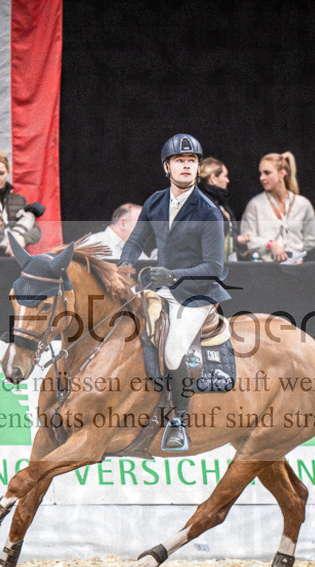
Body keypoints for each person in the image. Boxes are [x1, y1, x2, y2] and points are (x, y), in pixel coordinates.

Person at [119, 133, 229, 451]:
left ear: (198, 168)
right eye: (180, 161)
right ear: (167, 167)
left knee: (171, 351)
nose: (186, 166)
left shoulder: (208, 211)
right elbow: (137, 241)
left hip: (197, 293)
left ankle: (178, 420)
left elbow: (215, 267)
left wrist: (174, 274)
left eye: (192, 161)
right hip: (161, 286)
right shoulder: (155, 201)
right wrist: (125, 264)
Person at [240, 152, 315, 262]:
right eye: (261, 173)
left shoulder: (302, 204)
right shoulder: (255, 205)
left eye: (267, 173)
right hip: (266, 269)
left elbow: (312, 238)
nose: (262, 178)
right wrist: (270, 245)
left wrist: (295, 253)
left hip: (296, 269)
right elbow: (248, 239)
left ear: (282, 173)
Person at [197, 157, 242, 261]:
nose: (228, 180)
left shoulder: (220, 204)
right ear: (213, 178)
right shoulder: (201, 203)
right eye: (225, 176)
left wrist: (237, 240)